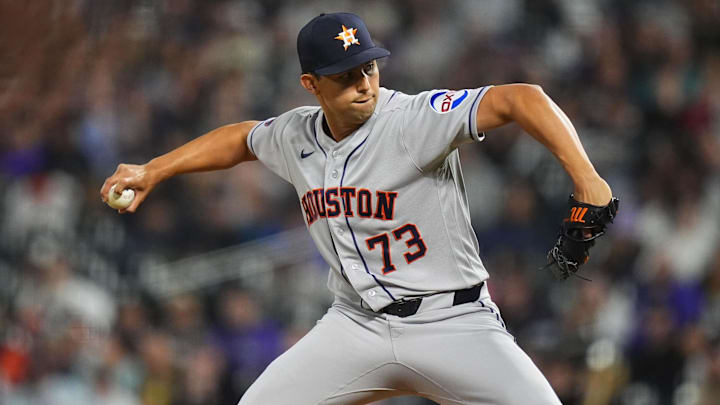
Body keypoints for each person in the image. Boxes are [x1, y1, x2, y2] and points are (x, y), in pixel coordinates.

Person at [102, 12, 615, 405]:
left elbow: (522, 98)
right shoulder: (297, 134)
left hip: (453, 322)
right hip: (355, 326)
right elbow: (241, 139)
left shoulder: (413, 119)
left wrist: (588, 179)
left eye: (367, 67)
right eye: (346, 75)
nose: (364, 83)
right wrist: (155, 169)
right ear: (311, 84)